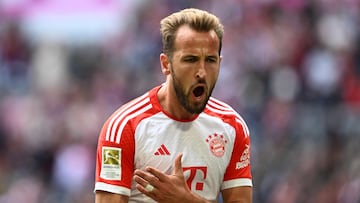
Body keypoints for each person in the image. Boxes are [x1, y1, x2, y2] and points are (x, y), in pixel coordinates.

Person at [94, 8, 253, 203]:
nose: (202, 72)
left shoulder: (232, 127)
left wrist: (186, 201)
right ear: (166, 64)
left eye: (210, 60)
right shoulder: (123, 128)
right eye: (190, 59)